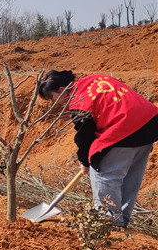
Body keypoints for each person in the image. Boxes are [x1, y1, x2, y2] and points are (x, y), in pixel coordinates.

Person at [38, 70, 158, 227]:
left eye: (52, 97)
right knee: (130, 176)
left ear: (61, 90)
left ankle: (108, 222)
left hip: (127, 126)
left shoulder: (79, 103)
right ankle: (120, 221)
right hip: (150, 123)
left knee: (102, 173)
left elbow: (85, 137)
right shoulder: (92, 79)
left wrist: (85, 161)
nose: (55, 102)